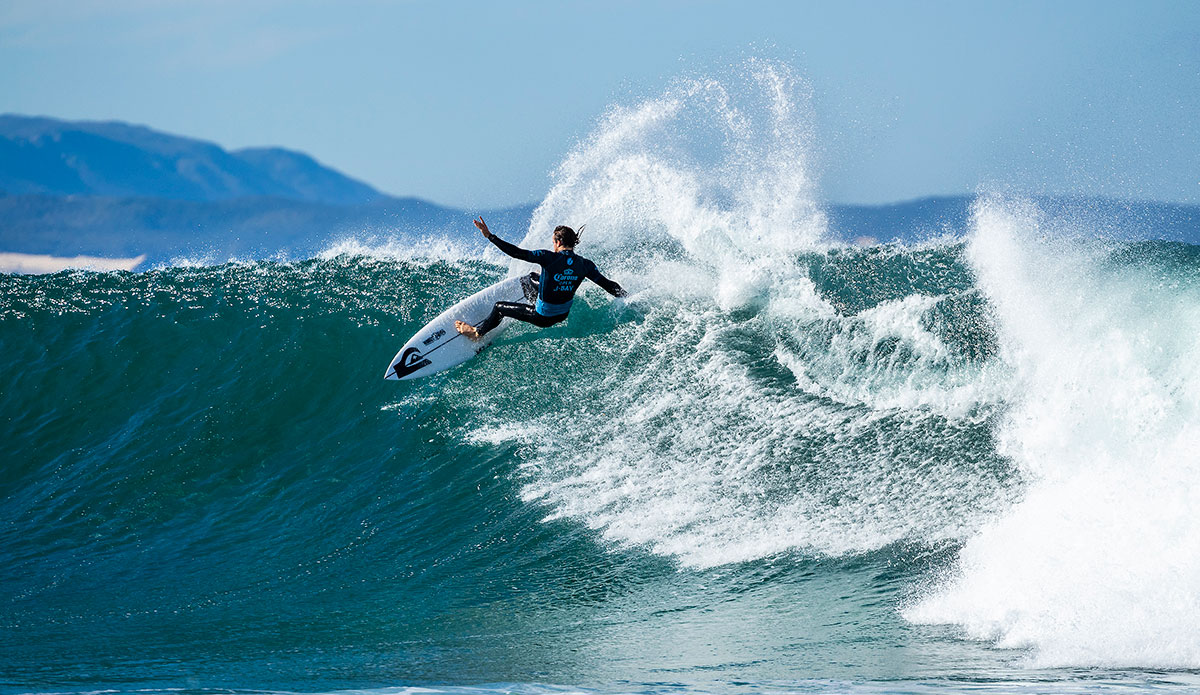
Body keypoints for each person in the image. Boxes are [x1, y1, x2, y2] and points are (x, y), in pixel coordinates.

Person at [455, 217, 626, 341]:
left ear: (558, 242)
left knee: (499, 307)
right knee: (532, 277)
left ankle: (476, 333)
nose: (553, 245)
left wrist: (490, 236)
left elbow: (516, 253)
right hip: (563, 314)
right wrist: (627, 297)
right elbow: (609, 285)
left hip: (542, 317)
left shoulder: (548, 257)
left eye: (553, 241)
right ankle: (533, 294)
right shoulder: (585, 265)